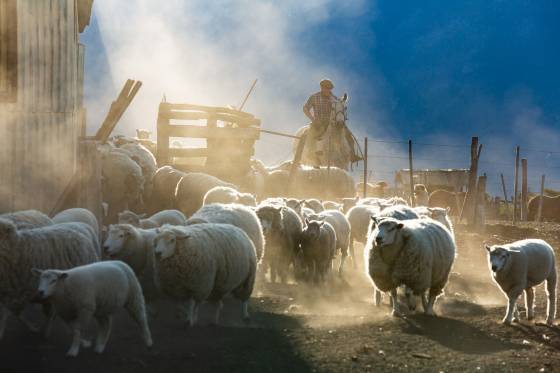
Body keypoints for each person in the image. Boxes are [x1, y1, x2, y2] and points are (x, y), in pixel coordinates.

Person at [302, 79, 338, 165]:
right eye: (326, 88)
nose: (328, 90)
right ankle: (311, 154)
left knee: (346, 134)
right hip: (318, 123)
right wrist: (313, 119)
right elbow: (305, 108)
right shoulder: (314, 97)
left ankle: (352, 154)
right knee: (312, 135)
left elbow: (338, 110)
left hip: (331, 123)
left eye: (329, 89)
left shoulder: (334, 99)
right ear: (322, 88)